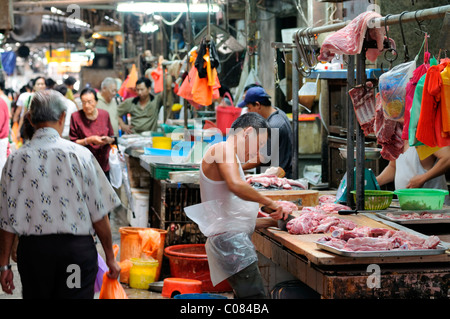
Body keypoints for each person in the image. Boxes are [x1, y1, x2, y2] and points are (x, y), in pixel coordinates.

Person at [0, 90, 121, 299]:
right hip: (74, 254)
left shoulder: (15, 160)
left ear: (29, 118)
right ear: (63, 117)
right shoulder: (81, 155)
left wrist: (4, 266)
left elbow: (5, 220)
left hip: (34, 255)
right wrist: (110, 257)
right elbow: (99, 213)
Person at [196, 112, 290, 299]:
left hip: (232, 243)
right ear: (247, 133)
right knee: (255, 300)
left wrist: (273, 222)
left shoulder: (232, 159)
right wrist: (269, 202)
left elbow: (235, 219)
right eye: (260, 144)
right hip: (232, 245)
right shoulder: (222, 149)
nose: (257, 153)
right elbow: (236, 185)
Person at [238, 86, 293, 178]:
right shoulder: (278, 112)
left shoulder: (273, 125)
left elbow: (262, 157)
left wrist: (239, 168)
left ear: (258, 105)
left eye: (249, 108)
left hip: (278, 180)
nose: (248, 112)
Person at [377, 142, 450, 204]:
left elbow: (447, 158)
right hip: (408, 204)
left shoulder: (425, 135)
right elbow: (393, 167)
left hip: (433, 206)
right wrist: (376, 182)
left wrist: (423, 178)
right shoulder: (399, 138)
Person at [69, 87, 115, 180]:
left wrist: (107, 140)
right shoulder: (75, 117)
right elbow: (73, 142)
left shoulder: (104, 115)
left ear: (96, 102)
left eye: (90, 102)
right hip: (84, 164)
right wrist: (89, 140)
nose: (86, 105)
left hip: (103, 163)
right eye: (83, 102)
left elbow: (112, 137)